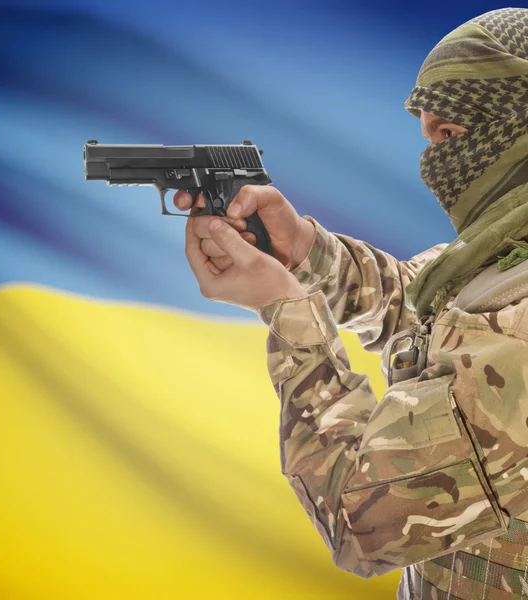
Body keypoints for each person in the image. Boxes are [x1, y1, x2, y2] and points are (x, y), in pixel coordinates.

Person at [174, 8, 528, 599]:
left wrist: (286, 310)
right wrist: (306, 251)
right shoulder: (503, 255)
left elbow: (361, 520)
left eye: (450, 135)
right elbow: (428, 310)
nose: (432, 162)